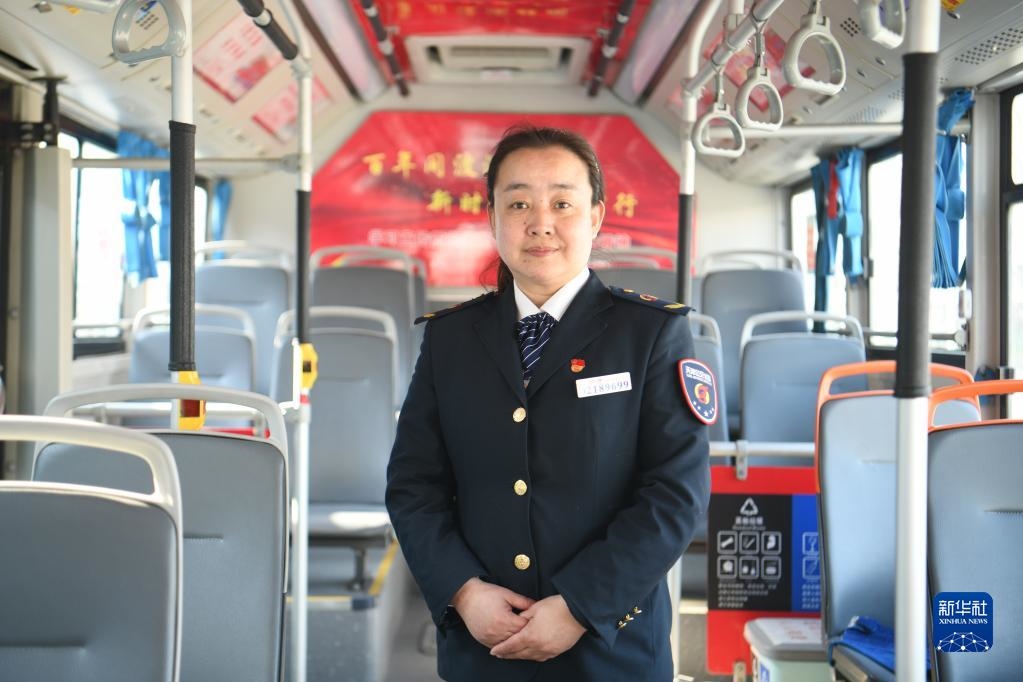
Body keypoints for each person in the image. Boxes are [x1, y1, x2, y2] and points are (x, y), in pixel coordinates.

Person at [386, 124, 711, 682]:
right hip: (483, 646)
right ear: (492, 216)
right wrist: (465, 592)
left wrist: (581, 606)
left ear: (596, 216)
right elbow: (414, 487)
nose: (540, 223)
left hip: (611, 647)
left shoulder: (650, 334)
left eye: (562, 203)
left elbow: (675, 494)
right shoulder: (450, 340)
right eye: (518, 204)